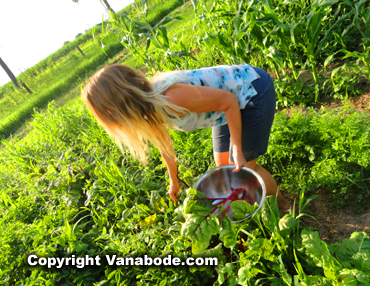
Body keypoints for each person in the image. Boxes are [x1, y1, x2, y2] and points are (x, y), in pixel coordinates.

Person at [82, 63, 292, 212]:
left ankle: (284, 207)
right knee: (223, 165)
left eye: (109, 116)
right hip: (225, 108)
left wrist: (236, 147)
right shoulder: (148, 109)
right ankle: (258, 203)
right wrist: (174, 181)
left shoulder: (171, 98)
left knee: (244, 169)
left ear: (120, 106)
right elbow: (165, 146)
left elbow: (229, 100)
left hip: (252, 92)